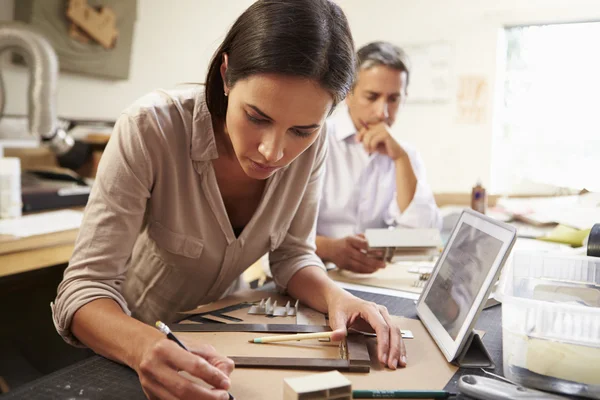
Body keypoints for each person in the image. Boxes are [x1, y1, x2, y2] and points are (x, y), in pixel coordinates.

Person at [51, 2, 406, 399]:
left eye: (301, 130)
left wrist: (337, 297)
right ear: (225, 76)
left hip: (227, 343)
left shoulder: (316, 143)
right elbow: (83, 290)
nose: (274, 152)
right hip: (130, 349)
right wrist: (142, 347)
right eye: (257, 117)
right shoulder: (149, 127)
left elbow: (292, 255)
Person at [315, 41, 442, 274]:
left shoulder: (406, 155)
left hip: (374, 280)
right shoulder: (316, 140)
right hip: (314, 273)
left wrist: (400, 160)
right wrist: (329, 249)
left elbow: (423, 238)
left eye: (393, 99)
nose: (382, 112)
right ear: (347, 93)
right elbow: (277, 236)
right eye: (372, 97)